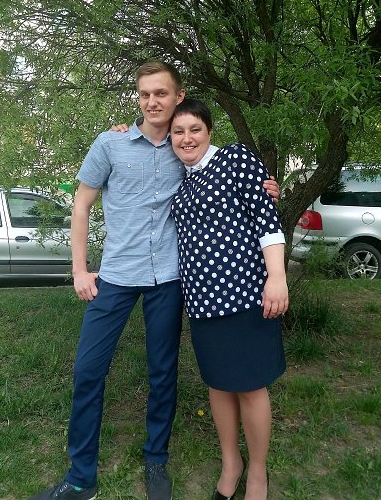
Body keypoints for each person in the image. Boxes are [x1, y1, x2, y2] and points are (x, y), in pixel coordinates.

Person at [28, 61, 281, 500]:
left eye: (161, 93)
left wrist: (265, 187)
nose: (152, 101)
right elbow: (81, 205)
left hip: (168, 277)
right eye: (145, 94)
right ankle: (81, 476)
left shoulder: (187, 148)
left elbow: (232, 183)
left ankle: (156, 458)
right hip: (116, 276)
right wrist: (79, 269)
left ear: (178, 96)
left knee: (162, 373)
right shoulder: (111, 142)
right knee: (88, 369)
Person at [169, 98, 288, 500]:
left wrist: (277, 277)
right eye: (178, 132)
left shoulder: (235, 158)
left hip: (247, 295)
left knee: (250, 386)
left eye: (195, 129)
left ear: (209, 131)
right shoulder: (183, 180)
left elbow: (266, 220)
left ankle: (258, 472)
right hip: (202, 302)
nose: (187, 138)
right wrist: (123, 130)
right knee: (219, 385)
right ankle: (231, 463)